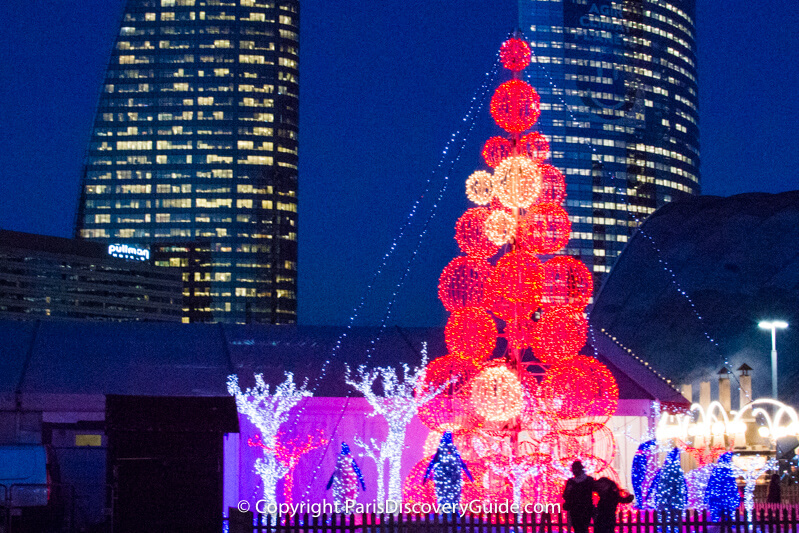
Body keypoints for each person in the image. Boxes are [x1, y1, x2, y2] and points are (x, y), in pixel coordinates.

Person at [563, 461, 595, 533]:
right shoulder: (571, 481)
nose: (574, 471)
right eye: (573, 469)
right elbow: (565, 495)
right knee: (578, 527)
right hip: (576, 509)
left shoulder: (589, 480)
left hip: (585, 508)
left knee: (582, 527)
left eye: (576, 469)